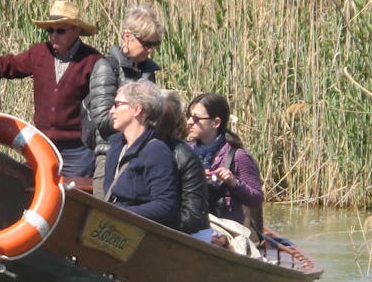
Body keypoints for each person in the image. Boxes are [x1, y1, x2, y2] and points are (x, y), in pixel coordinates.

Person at [0, 0, 103, 177]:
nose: (53, 35)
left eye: (60, 30)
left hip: (77, 151)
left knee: (77, 198)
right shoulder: (39, 53)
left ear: (76, 31)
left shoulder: (93, 61)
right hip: (43, 145)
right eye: (50, 30)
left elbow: (104, 104)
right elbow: (7, 65)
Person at [84, 4, 165, 198]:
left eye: (155, 45)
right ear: (128, 36)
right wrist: (136, 119)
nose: (150, 50)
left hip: (143, 154)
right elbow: (103, 121)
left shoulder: (148, 72)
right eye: (146, 44)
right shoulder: (106, 67)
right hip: (110, 154)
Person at [186, 93, 265, 234]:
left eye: (196, 118)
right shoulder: (186, 151)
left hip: (229, 231)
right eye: (189, 116)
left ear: (216, 123)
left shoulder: (238, 156)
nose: (189, 122)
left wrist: (234, 182)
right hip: (193, 225)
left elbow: (256, 199)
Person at [103, 80, 178, 228]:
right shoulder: (116, 146)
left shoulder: (157, 152)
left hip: (135, 234)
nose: (112, 111)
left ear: (137, 109)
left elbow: (165, 205)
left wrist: (120, 211)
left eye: (117, 104)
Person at [158, 90, 211, 241]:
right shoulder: (134, 147)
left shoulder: (184, 156)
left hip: (189, 236)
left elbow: (193, 217)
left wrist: (155, 226)